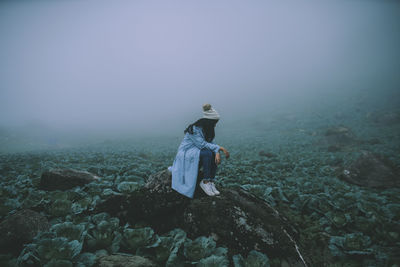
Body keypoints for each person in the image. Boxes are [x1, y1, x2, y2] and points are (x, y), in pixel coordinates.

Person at [168, 104, 230, 198]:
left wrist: (217, 151)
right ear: (209, 121)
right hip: (187, 152)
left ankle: (211, 181)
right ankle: (205, 181)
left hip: (196, 150)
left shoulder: (207, 129)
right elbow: (202, 144)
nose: (215, 124)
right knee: (208, 153)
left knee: (212, 152)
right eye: (214, 122)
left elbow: (211, 143)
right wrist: (218, 149)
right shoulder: (195, 129)